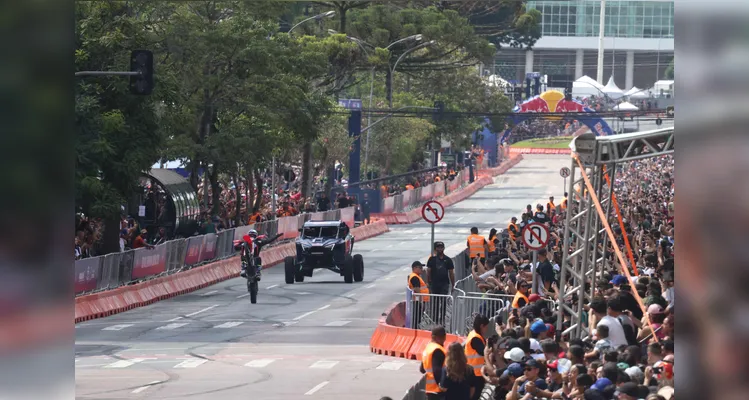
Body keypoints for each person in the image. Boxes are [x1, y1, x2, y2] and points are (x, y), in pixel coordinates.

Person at [426, 241, 455, 326]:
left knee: (443, 302)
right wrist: (429, 283)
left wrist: (453, 284)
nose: (440, 249)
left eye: (441, 247)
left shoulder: (448, 260)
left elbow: (451, 273)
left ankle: (442, 320)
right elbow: (428, 272)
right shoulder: (431, 260)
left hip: (444, 284)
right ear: (435, 249)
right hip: (434, 284)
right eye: (438, 247)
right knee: (435, 302)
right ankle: (435, 320)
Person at [464, 315, 489, 400]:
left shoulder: (473, 334)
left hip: (474, 373)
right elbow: (483, 352)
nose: (487, 329)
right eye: (486, 327)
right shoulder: (475, 338)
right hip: (475, 374)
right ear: (482, 326)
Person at [420, 326, 447, 400]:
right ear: (444, 337)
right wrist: (442, 385)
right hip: (437, 391)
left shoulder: (428, 348)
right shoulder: (438, 350)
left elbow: (422, 369)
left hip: (428, 389)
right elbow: (436, 371)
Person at [408, 261, 430, 328]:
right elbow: (417, 290)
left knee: (418, 317)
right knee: (417, 318)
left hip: (419, 300)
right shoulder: (415, 277)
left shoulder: (416, 276)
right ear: (415, 268)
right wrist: (420, 302)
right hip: (418, 301)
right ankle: (415, 329)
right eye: (420, 268)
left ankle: (416, 328)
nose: (422, 269)